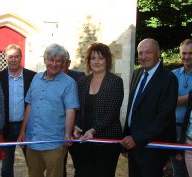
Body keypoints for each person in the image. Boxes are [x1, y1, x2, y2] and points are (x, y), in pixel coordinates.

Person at [18, 43, 79, 177]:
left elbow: (70, 110)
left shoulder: (69, 83)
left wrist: (67, 134)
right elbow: (29, 105)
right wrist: (22, 131)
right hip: (32, 141)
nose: (54, 64)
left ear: (63, 63)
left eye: (58, 61)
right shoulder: (36, 78)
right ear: (45, 60)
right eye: (51, 60)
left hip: (54, 144)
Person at [121, 38, 178, 177]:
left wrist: (137, 138)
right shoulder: (137, 73)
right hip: (133, 147)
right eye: (140, 53)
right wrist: (126, 137)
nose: (143, 56)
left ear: (157, 53)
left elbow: (164, 117)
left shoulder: (168, 78)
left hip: (152, 148)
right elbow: (132, 109)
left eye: (148, 52)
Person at [69, 42, 124, 177]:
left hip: (106, 141)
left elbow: (112, 113)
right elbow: (79, 110)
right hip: (84, 140)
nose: (96, 62)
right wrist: (76, 126)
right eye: (93, 58)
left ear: (107, 60)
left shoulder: (115, 82)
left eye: (100, 58)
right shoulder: (82, 82)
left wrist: (93, 130)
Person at [0, 44, 36, 177]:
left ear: (21, 57)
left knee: (33, 164)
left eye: (16, 56)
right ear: (6, 58)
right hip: (6, 127)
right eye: (10, 57)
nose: (13, 60)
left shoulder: (32, 77)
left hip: (27, 126)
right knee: (6, 167)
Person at [171, 39, 192, 177]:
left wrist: (179, 99)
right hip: (175, 129)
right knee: (179, 170)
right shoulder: (173, 75)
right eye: (184, 53)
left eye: (190, 53)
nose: (186, 57)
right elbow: (168, 102)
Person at [62, 49, 85, 177]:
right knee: (59, 167)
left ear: (69, 62)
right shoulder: (50, 77)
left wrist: (76, 125)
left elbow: (83, 105)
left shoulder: (79, 77)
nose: (59, 65)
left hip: (77, 130)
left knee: (80, 165)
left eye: (63, 62)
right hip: (59, 130)